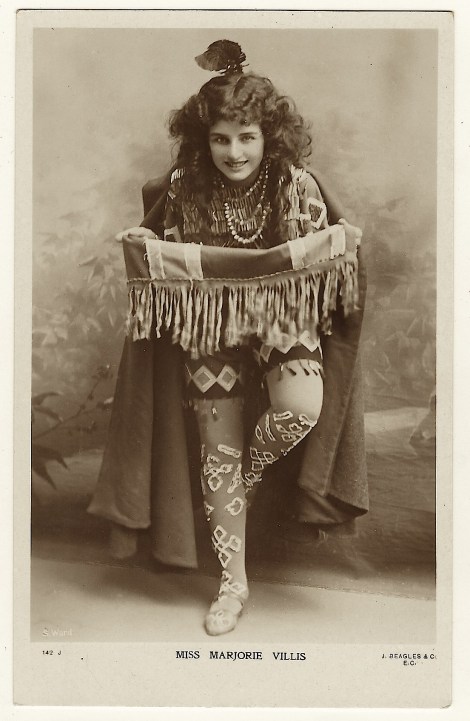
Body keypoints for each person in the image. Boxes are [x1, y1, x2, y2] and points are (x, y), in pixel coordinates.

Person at [88, 40, 367, 636]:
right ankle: (232, 585)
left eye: (246, 137)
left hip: (279, 317)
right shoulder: (185, 185)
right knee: (217, 456)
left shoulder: (296, 185)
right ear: (203, 139)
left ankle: (253, 469)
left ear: (269, 136)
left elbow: (319, 264)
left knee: (300, 408)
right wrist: (142, 242)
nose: (234, 152)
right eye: (220, 138)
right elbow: (161, 243)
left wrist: (341, 244)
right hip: (209, 325)